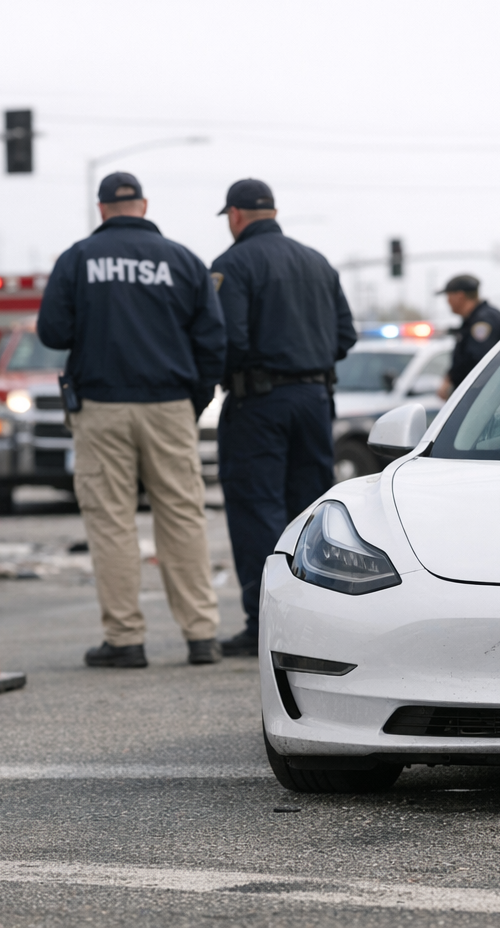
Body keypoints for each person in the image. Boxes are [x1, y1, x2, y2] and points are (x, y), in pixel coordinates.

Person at [37, 172, 227, 669]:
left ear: (102, 209)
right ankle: (201, 635)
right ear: (143, 205)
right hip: (169, 405)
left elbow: (53, 332)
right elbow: (213, 342)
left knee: (112, 521)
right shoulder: (183, 260)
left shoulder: (78, 259)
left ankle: (125, 639)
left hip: (101, 406)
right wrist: (194, 402)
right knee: (183, 515)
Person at [211, 178, 356, 657]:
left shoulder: (232, 264)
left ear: (235, 215)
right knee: (311, 513)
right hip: (315, 401)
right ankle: (316, 626)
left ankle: (263, 624)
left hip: (258, 404)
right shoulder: (317, 262)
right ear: (272, 211)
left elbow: (227, 340)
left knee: (257, 510)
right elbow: (344, 337)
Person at [436, 274, 500, 400]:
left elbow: (479, 362)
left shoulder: (484, 320)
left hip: (483, 397)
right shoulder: (473, 320)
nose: (447, 301)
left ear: (460, 296)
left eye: (448, 296)